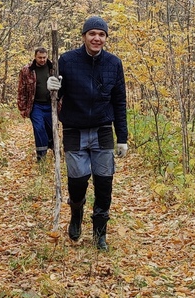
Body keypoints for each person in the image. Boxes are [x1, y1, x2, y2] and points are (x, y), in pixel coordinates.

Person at [45, 16, 127, 250]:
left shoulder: (113, 63)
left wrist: (122, 137)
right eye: (92, 34)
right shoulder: (67, 61)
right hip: (74, 129)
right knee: (78, 180)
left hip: (102, 130)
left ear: (106, 38)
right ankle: (76, 211)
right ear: (83, 36)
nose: (97, 38)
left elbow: (120, 101)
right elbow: (55, 97)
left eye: (101, 35)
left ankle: (100, 233)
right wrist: (52, 87)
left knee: (104, 183)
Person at [16, 46, 54, 161]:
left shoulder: (53, 68)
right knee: (39, 128)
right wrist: (22, 108)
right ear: (35, 57)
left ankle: (53, 147)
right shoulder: (27, 70)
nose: (42, 60)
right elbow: (21, 89)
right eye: (39, 57)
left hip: (51, 104)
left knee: (51, 129)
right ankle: (41, 155)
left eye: (44, 57)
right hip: (35, 105)